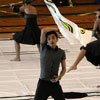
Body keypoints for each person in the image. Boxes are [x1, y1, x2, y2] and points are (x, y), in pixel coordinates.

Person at [34, 28, 66, 100]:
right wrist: (57, 29)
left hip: (55, 83)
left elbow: (64, 69)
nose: (51, 40)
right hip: (43, 83)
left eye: (53, 38)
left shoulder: (61, 52)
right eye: (48, 39)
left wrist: (59, 77)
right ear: (47, 41)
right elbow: (43, 30)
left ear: (57, 39)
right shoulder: (43, 48)